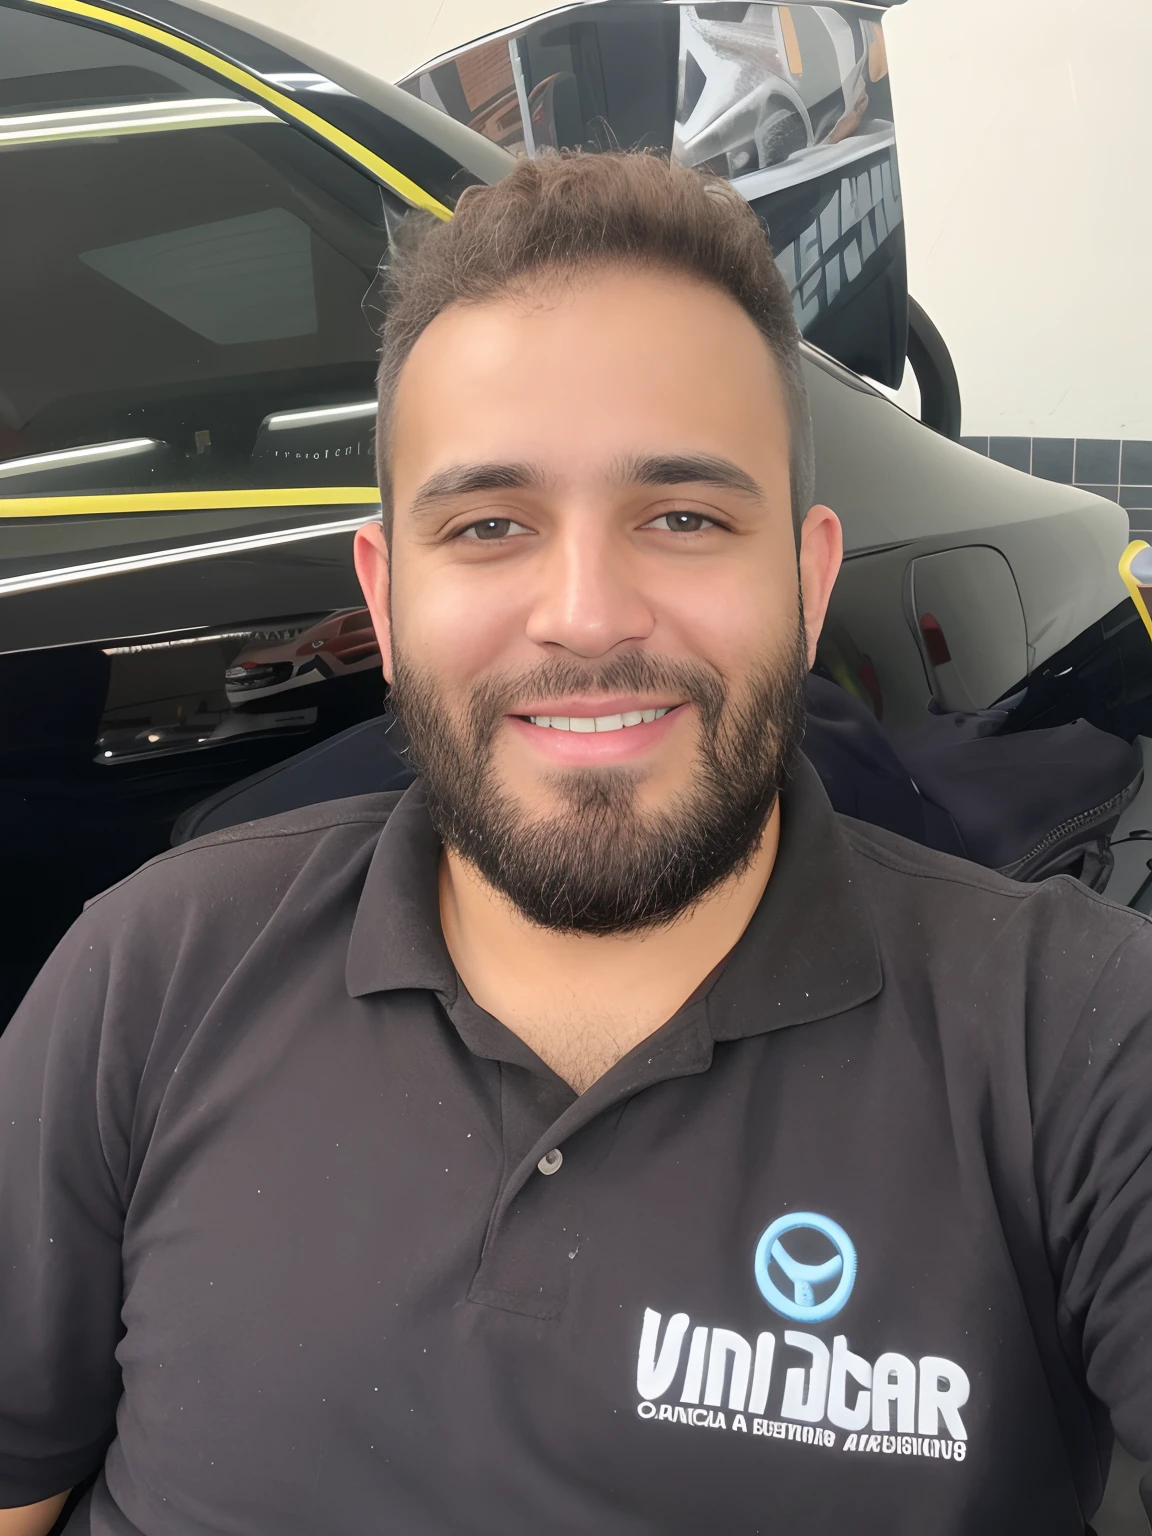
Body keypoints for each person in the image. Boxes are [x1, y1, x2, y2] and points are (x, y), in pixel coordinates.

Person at [0, 151, 1149, 1536]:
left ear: (806, 576)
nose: (588, 616)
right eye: (489, 526)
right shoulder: (151, 975)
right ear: (386, 591)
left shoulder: (1079, 1047)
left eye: (681, 517)